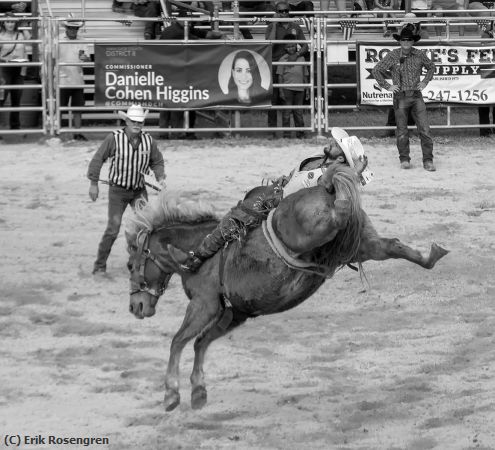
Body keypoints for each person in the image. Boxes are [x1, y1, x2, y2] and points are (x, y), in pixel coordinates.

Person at [168, 128, 369, 272]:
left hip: (283, 205)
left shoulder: (334, 174)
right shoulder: (320, 158)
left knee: (236, 218)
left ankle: (198, 257)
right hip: (280, 192)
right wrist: (285, 179)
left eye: (335, 145)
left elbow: (341, 185)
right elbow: (299, 174)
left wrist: (354, 173)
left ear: (341, 159)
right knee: (243, 211)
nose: (330, 142)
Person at [87, 104, 165, 274]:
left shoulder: (148, 141)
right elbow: (98, 159)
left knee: (146, 227)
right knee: (113, 228)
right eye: (134, 121)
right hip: (118, 191)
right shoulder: (114, 138)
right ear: (127, 121)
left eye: (140, 122)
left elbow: (156, 161)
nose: (137, 124)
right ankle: (100, 265)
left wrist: (160, 177)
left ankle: (135, 263)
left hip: (138, 190)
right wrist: (93, 183)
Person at [372, 27, 436, 171]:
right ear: (399, 41)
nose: (406, 42)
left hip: (416, 95)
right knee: (402, 131)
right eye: (403, 39)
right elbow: (376, 70)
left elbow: (431, 67)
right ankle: (404, 159)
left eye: (408, 40)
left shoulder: (419, 54)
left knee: (425, 129)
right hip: (400, 96)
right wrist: (387, 86)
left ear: (413, 41)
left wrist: (425, 81)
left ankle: (428, 160)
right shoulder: (393, 55)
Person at [265, 1, 308, 134]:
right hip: (275, 65)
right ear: (276, 13)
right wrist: (273, 24)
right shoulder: (271, 26)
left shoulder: (295, 26)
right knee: (273, 98)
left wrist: (297, 54)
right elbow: (269, 45)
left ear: (289, 11)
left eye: (286, 11)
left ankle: (294, 132)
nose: (283, 14)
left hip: (291, 66)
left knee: (291, 100)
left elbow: (306, 46)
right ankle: (272, 131)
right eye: (280, 11)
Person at [58, 17, 91, 141]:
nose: (73, 30)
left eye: (75, 28)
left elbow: (87, 59)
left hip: (77, 78)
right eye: (71, 28)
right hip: (62, 79)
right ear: (66, 28)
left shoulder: (82, 40)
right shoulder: (58, 39)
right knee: (60, 107)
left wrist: (86, 59)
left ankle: (77, 132)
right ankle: (58, 131)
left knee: (77, 107)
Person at [0, 11, 30, 132]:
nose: (10, 24)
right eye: (8, 21)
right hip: (4, 69)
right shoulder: (0, 36)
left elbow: (31, 39)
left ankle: (15, 126)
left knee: (16, 99)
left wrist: (23, 25)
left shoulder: (21, 34)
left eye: (12, 21)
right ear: (3, 23)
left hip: (20, 68)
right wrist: (6, 59)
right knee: (1, 98)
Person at [277, 34, 309, 138]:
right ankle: (286, 135)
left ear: (296, 46)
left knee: (298, 113)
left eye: (293, 46)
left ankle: (301, 134)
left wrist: (307, 89)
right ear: (285, 48)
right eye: (288, 46)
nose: (291, 48)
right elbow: (280, 76)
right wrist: (281, 91)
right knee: (286, 113)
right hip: (287, 89)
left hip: (300, 89)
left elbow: (305, 74)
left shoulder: (302, 58)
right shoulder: (283, 59)